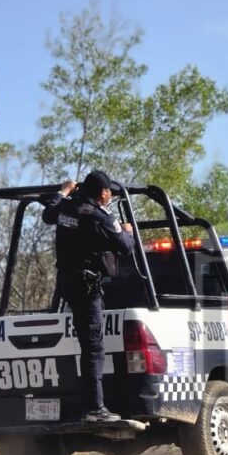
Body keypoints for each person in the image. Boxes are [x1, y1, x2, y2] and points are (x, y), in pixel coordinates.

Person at [43, 170, 135, 423]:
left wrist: (63, 191)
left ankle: (89, 405)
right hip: (86, 286)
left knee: (88, 344)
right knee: (94, 348)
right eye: (109, 192)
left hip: (66, 283)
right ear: (103, 193)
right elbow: (125, 247)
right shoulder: (99, 216)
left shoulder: (66, 208)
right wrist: (128, 231)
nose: (110, 196)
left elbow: (48, 214)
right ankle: (95, 408)